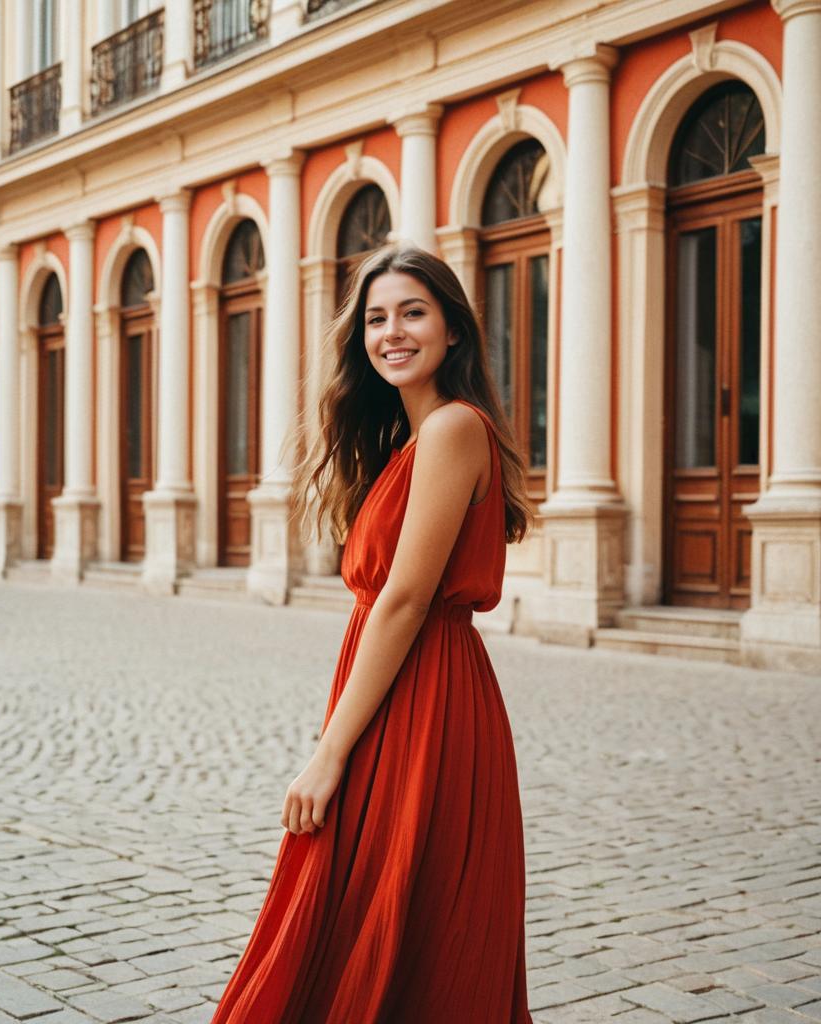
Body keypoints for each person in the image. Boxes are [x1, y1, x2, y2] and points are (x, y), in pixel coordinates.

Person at [209, 243, 537, 1024]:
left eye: (413, 313)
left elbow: (405, 601)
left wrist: (326, 755)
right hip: (402, 690)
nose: (392, 332)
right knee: (366, 905)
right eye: (376, 318)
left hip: (428, 701)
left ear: (454, 330)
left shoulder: (455, 428)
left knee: (379, 908)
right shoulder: (409, 441)